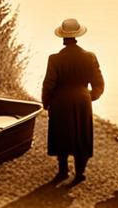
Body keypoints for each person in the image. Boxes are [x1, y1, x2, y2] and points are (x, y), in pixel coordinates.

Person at [41, 17, 105, 186]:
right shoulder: (90, 57)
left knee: (61, 133)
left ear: (62, 38)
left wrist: (46, 102)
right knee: (82, 134)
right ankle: (80, 173)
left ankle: (63, 170)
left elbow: (49, 83)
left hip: (60, 100)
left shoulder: (54, 59)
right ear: (77, 36)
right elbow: (99, 84)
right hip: (82, 100)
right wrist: (90, 96)